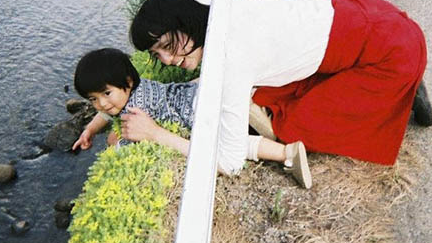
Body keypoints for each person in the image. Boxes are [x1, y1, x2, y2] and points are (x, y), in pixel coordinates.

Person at [127, 0, 432, 186]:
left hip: (393, 52)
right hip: (368, 12)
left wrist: (155, 134)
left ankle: (406, 88)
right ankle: (405, 84)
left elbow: (230, 164)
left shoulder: (231, 59)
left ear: (188, 23)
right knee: (277, 93)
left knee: (294, 126)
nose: (167, 60)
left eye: (168, 46)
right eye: (157, 54)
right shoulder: (221, 8)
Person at [70, 47, 312, 187]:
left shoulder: (135, 109)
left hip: (200, 115)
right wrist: (90, 130)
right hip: (197, 94)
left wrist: (115, 144)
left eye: (106, 93)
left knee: (232, 144)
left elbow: (126, 141)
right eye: (93, 99)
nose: (102, 103)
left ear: (128, 83)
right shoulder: (133, 90)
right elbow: (106, 111)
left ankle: (285, 153)